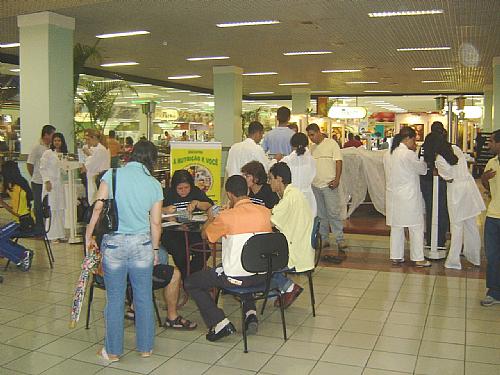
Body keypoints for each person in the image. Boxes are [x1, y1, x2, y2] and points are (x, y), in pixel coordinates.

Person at [85, 140, 164, 362]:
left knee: (115, 299)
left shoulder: (112, 175)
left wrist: (88, 235)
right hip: (142, 246)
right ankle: (146, 347)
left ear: (132, 154)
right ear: (152, 160)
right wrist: (155, 250)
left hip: (114, 245)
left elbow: (98, 207)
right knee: (143, 297)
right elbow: (155, 224)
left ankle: (112, 352)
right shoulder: (154, 185)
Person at [184, 175, 273, 341]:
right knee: (246, 263)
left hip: (235, 278)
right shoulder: (265, 212)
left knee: (192, 282)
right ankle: (250, 313)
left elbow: (206, 236)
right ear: (247, 191)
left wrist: (212, 218)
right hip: (263, 276)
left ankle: (219, 323)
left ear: (230, 195)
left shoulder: (226, 217)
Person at [269, 162, 315, 308]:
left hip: (294, 251)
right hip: (300, 246)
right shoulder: (294, 193)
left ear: (279, 179)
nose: (269, 182)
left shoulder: (290, 198)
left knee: (261, 263)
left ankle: (288, 287)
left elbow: (270, 221)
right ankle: (284, 289)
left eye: (271, 178)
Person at [383, 127, 431, 267]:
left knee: (397, 227)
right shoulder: (408, 154)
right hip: (408, 195)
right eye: (414, 140)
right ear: (408, 138)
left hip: (393, 195)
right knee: (415, 226)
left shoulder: (388, 154)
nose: (414, 143)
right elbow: (422, 170)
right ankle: (418, 258)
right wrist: (421, 158)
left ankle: (396, 256)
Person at [435, 141, 485, 269]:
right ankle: (475, 258)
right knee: (471, 225)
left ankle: (453, 261)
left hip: (456, 191)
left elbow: (448, 178)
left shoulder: (440, 159)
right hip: (468, 188)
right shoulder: (456, 149)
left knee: (456, 226)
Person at [161, 169, 213, 279]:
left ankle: (188, 278)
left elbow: (209, 205)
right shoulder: (167, 193)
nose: (184, 191)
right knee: (181, 254)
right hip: (172, 233)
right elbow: (152, 209)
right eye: (180, 189)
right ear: (174, 187)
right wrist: (164, 210)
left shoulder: (195, 191)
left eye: (186, 188)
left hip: (192, 231)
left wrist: (197, 203)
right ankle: (188, 279)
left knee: (205, 251)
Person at [306, 123, 347, 250]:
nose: (311, 138)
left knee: (333, 213)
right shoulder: (311, 148)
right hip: (315, 186)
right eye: (309, 136)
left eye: (312, 135)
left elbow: (338, 162)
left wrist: (337, 179)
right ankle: (324, 239)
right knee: (320, 214)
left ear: (319, 132)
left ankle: (340, 239)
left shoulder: (331, 144)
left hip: (329, 185)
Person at [419, 122, 450, 250]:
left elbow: (421, 161)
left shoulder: (425, 144)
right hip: (439, 181)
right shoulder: (442, 143)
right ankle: (440, 240)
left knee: (431, 209)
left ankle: (430, 240)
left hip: (425, 180)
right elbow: (452, 160)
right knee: (441, 209)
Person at [480, 130, 500, 306]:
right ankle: (493, 292)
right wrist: (485, 179)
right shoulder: (491, 162)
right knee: (492, 255)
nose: (489, 145)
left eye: (492, 142)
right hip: (493, 215)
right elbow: (486, 185)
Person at [27, 124, 56, 234]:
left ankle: (48, 228)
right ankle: (39, 229)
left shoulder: (50, 148)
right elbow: (29, 164)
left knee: (47, 205)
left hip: (48, 181)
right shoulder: (37, 147)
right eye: (52, 135)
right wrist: (35, 176)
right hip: (38, 181)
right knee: (38, 206)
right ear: (46, 135)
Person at [280, 132, 317, 217]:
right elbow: (313, 175)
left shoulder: (287, 160)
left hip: (292, 198)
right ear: (307, 145)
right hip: (308, 197)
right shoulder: (311, 160)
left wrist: (275, 160)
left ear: (292, 145)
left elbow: (275, 171)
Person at [39, 132, 68, 242]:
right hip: (50, 184)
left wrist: (65, 164)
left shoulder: (63, 154)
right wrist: (47, 181)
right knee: (52, 208)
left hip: (59, 184)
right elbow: (42, 168)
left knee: (60, 208)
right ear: (52, 141)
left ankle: (60, 234)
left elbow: (64, 171)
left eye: (59, 141)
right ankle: (51, 235)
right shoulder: (48, 153)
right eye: (55, 140)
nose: (57, 143)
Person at [1, 160, 36, 234]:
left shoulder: (16, 189)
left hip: (23, 222)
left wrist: (3, 204)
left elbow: (18, 213)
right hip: (26, 219)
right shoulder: (21, 183)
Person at [82, 129, 110, 205]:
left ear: (94, 138)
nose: (87, 142)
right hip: (94, 178)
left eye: (88, 139)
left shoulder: (100, 150)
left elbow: (89, 165)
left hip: (96, 178)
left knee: (95, 201)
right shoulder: (96, 149)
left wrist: (88, 155)